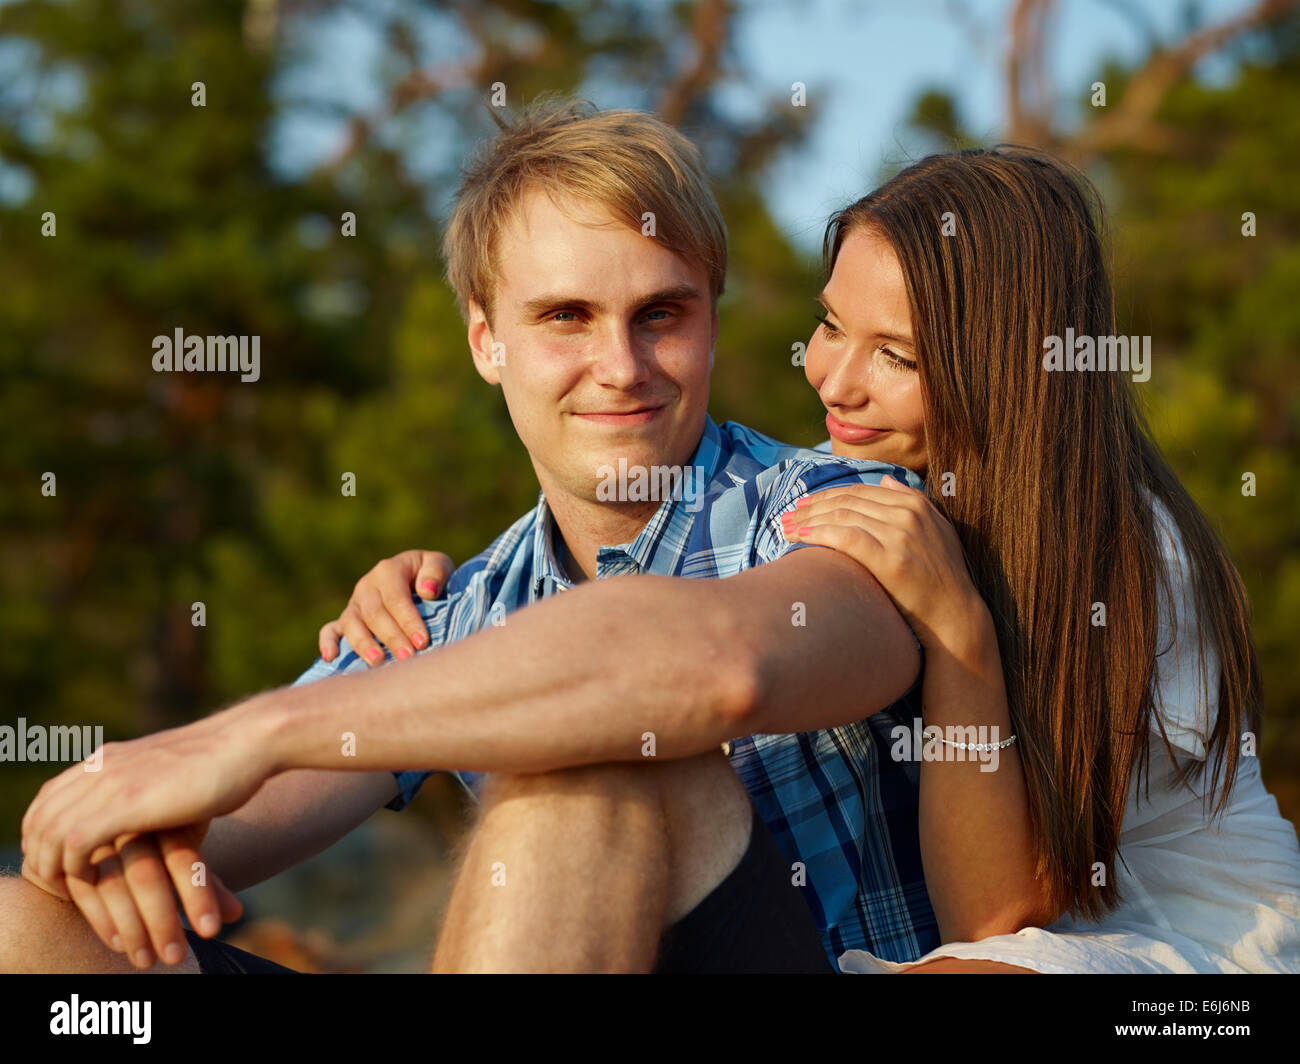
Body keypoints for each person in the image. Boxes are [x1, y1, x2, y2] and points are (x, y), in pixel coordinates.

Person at [8, 98, 1047, 975]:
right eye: (564, 316)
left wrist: (241, 734)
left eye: (660, 313)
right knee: (27, 926)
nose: (621, 364)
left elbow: (708, 663)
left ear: (714, 321)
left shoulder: (842, 508)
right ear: (483, 340)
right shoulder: (453, 606)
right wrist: (129, 836)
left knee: (590, 777)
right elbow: (207, 827)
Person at [332, 146, 1300, 973]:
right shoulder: (892, 497)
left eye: (898, 357)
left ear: (997, 375)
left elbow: (997, 925)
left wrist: (958, 627)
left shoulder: (1112, 544)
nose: (832, 376)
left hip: (1188, 958)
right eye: (832, 324)